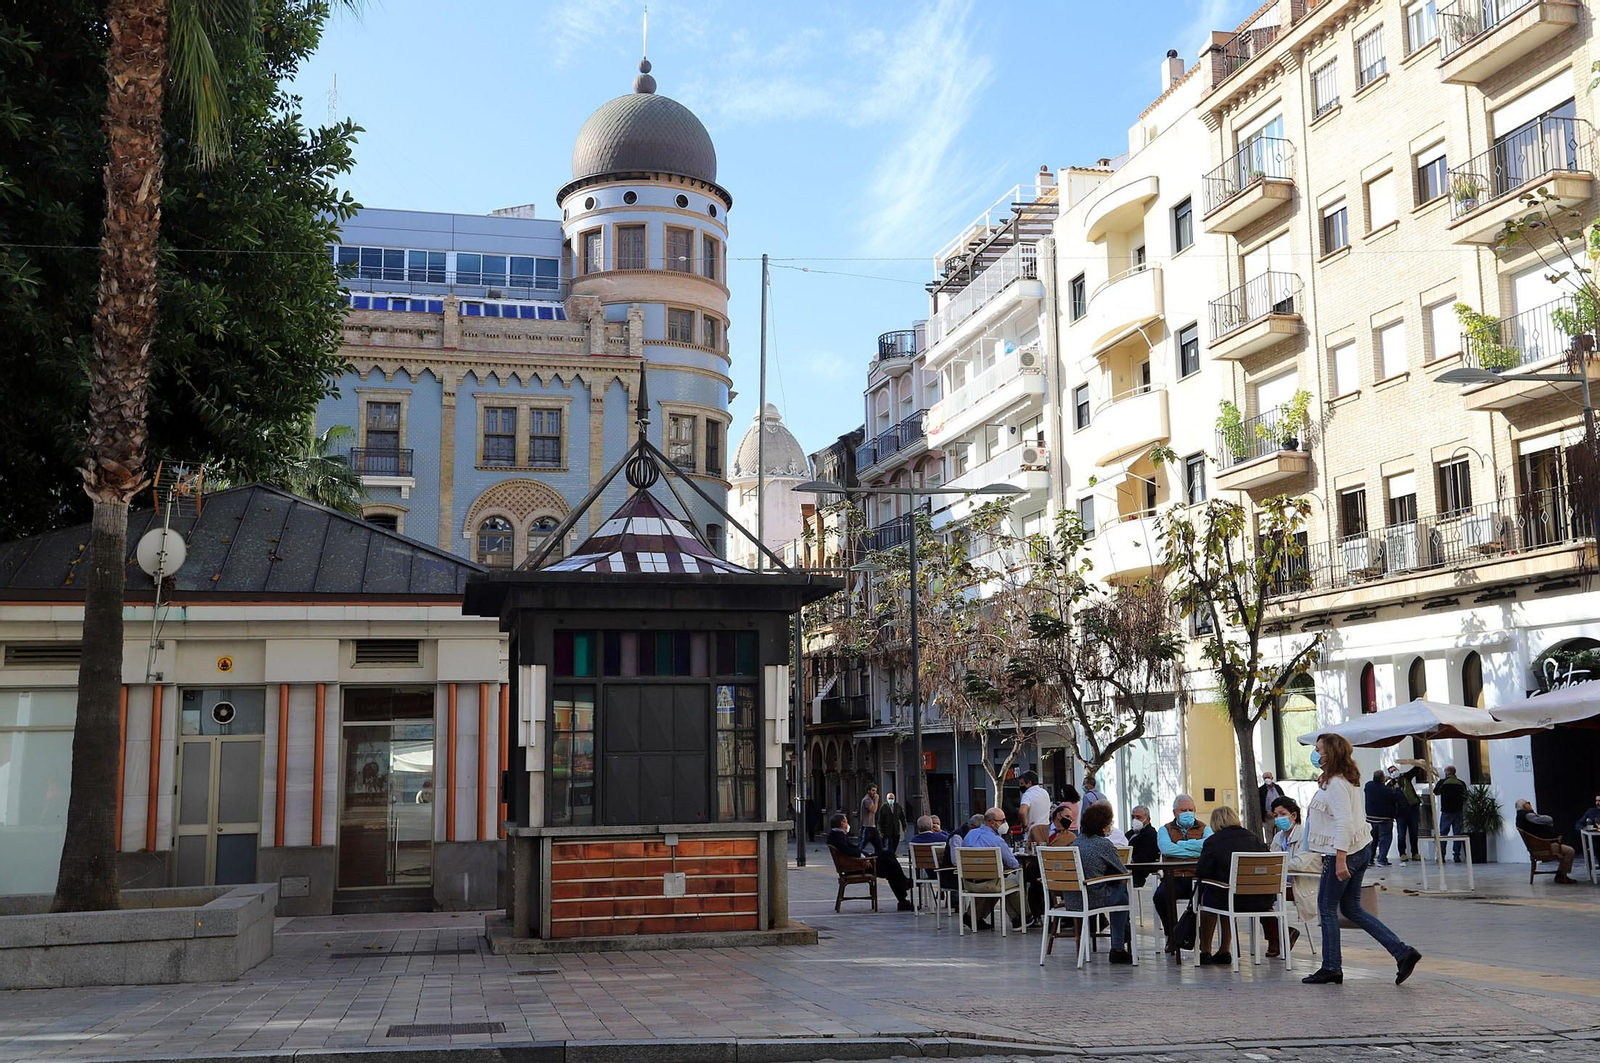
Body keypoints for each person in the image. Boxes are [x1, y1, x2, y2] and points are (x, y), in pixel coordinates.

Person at [1301, 733, 1422, 986]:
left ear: (1330, 753)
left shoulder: (1337, 783)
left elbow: (1344, 821)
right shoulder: (1344, 778)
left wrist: (1340, 859)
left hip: (1343, 852)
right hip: (1359, 848)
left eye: (1319, 750)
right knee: (1352, 908)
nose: (1315, 753)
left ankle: (1331, 966)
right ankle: (1402, 952)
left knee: (1326, 907)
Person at [1195, 805, 1290, 963]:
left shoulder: (1213, 841)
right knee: (1226, 895)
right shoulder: (1255, 838)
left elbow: (1202, 872)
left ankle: (1206, 950)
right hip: (1263, 900)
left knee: (1211, 896)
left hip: (1234, 900)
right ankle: (1224, 950)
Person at [1069, 801, 1133, 964]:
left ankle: (1122, 939)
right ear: (1103, 825)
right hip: (1093, 898)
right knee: (1122, 895)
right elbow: (1123, 872)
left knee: (1120, 893)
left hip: (1072, 898)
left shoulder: (1075, 843)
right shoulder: (1104, 844)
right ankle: (1118, 946)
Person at [1154, 793, 1211, 943]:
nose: (1188, 813)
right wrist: (1196, 850)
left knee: (1212, 898)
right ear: (1175, 812)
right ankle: (1172, 935)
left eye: (1191, 810)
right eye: (1183, 810)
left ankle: (1203, 940)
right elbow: (1167, 849)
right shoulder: (1165, 829)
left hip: (1198, 877)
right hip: (1174, 878)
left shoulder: (1205, 828)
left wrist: (1181, 845)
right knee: (1160, 897)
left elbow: (1209, 846)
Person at [955, 807, 1024, 930]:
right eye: (1003, 820)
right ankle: (1023, 916)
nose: (1005, 823)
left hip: (968, 883)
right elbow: (1013, 864)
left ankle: (972, 916)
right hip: (989, 883)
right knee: (1013, 881)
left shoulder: (970, 835)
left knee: (996, 883)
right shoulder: (997, 841)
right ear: (992, 822)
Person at [827, 812, 914, 910]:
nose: (848, 824)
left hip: (858, 862)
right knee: (890, 870)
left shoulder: (837, 835)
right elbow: (847, 851)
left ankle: (903, 886)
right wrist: (863, 858)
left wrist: (864, 855)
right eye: (846, 821)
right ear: (842, 823)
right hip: (857, 866)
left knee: (887, 855)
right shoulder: (837, 836)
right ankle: (903, 894)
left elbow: (852, 850)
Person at [1270, 795, 1320, 933]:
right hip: (1280, 884)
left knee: (1260, 899)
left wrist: (1274, 866)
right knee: (1254, 898)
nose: (1279, 818)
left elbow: (1298, 864)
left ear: (1293, 815)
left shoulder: (1306, 836)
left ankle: (1280, 935)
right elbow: (1270, 860)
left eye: (1282, 814)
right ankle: (1280, 934)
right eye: (1275, 815)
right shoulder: (1278, 837)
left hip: (1301, 885)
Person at [1515, 799, 1577, 883]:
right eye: (1528, 803)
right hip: (1544, 847)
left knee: (1566, 850)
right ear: (1524, 806)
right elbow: (1548, 819)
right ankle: (1561, 875)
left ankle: (1561, 874)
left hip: (1537, 847)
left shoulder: (1520, 817)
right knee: (1570, 851)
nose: (1530, 804)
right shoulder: (1528, 816)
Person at [1389, 762, 1427, 862]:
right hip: (1400, 812)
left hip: (1413, 808)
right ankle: (1402, 853)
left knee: (1414, 832)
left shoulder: (1405, 778)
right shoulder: (1390, 785)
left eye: (1395, 770)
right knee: (1401, 834)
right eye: (1391, 771)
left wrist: (1418, 763)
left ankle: (1415, 853)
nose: (1394, 772)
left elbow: (1414, 771)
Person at [908, 814, 956, 894]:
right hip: (942, 871)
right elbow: (952, 840)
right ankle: (953, 898)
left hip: (928, 872)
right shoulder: (941, 837)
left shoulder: (913, 841)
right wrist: (941, 831)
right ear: (931, 827)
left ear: (918, 827)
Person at [1434, 766, 1469, 863]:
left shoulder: (1443, 782)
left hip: (1446, 811)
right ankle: (1456, 856)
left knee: (1443, 834)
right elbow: (1466, 796)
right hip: (1458, 811)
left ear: (1447, 773)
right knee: (1457, 834)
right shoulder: (1461, 783)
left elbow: (1436, 792)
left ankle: (1442, 856)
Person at [1364, 769, 1398, 866]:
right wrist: (1397, 788)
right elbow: (1397, 797)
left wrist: (1382, 781)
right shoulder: (1387, 790)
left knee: (1372, 840)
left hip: (1371, 818)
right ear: (1382, 779)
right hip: (1384, 819)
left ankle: (1370, 860)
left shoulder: (1368, 786)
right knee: (1385, 839)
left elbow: (1375, 786)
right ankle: (1382, 859)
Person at [1125, 805, 1159, 887]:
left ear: (1148, 819)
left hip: (1141, 874)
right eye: (1133, 817)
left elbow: (1146, 856)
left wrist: (1129, 859)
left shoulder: (1150, 834)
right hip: (1127, 871)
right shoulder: (1130, 833)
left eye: (1138, 817)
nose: (1135, 820)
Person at [879, 791, 907, 855]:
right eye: (889, 798)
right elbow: (879, 820)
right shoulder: (883, 807)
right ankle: (890, 855)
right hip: (887, 830)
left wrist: (904, 827)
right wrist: (880, 830)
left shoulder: (898, 806)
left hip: (896, 830)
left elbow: (902, 817)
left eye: (892, 798)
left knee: (895, 843)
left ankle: (892, 854)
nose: (891, 800)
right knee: (889, 845)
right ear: (887, 799)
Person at [858, 785, 883, 855]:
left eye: (875, 791)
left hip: (872, 827)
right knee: (861, 846)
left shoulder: (871, 800)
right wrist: (876, 800)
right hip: (867, 827)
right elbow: (873, 810)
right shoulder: (867, 800)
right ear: (868, 791)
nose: (874, 793)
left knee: (879, 847)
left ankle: (878, 859)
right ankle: (855, 857)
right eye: (873, 790)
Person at [1259, 772, 1285, 837]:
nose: (1267, 779)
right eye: (1265, 778)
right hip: (1268, 817)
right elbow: (1259, 804)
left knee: (1280, 834)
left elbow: (1283, 799)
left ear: (1272, 778)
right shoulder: (1261, 790)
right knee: (1269, 835)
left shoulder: (1278, 788)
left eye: (1268, 777)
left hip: (1279, 816)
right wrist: (1265, 813)